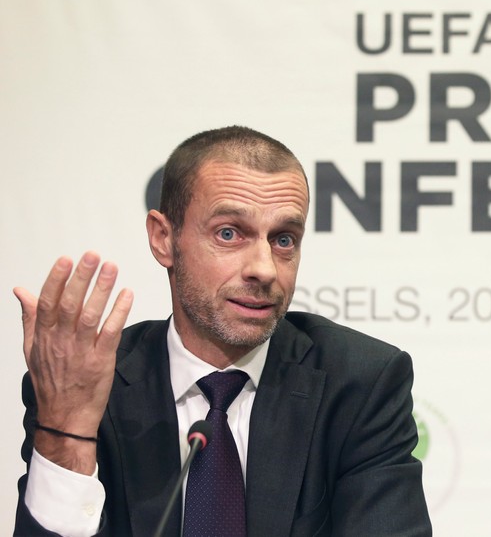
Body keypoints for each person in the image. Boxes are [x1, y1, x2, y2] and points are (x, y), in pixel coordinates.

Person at [12, 126, 432, 536]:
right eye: (229, 233)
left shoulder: (359, 383)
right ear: (163, 238)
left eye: (284, 239)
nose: (265, 269)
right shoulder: (86, 384)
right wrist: (67, 432)